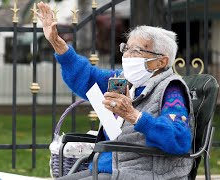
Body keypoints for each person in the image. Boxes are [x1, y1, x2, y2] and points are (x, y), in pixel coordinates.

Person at [37, 2, 194, 180]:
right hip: (107, 168)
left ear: (161, 62)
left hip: (140, 173)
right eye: (126, 48)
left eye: (136, 51)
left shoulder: (171, 90)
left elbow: (179, 139)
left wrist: (134, 115)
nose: (126, 55)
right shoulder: (123, 80)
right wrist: (57, 43)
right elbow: (87, 77)